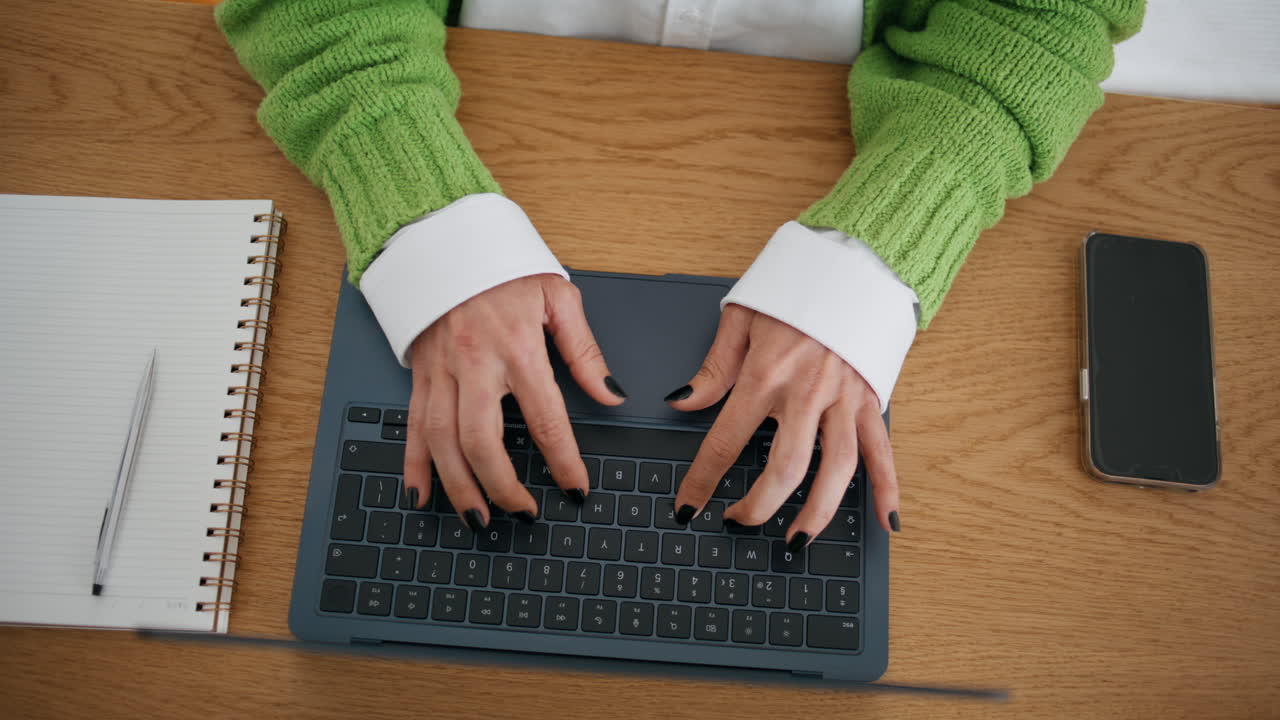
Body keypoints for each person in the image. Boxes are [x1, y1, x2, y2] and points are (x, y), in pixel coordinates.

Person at [216, 0, 1145, 549]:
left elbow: (1040, 16)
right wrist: (427, 219)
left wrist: (870, 261)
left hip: (839, 143)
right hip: (476, 106)